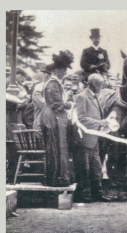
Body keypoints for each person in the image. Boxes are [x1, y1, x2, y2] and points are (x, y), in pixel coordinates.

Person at [73, 73, 111, 202]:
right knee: (84, 167)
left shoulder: (94, 97)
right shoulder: (82, 97)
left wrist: (104, 122)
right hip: (84, 139)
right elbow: (81, 118)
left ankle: (96, 193)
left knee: (96, 167)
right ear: (94, 84)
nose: (103, 86)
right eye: (101, 84)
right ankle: (80, 195)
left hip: (94, 138)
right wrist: (99, 123)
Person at [40, 50, 74, 187]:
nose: (65, 72)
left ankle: (60, 176)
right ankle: (55, 178)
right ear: (58, 70)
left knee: (59, 146)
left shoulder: (55, 83)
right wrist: (70, 104)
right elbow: (57, 104)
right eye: (64, 70)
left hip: (56, 117)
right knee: (55, 146)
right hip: (53, 118)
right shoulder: (52, 84)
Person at [32, 64, 53, 132]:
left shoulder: (54, 87)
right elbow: (44, 106)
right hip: (40, 124)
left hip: (50, 124)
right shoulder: (39, 88)